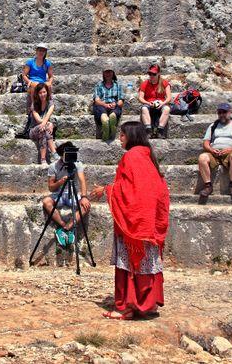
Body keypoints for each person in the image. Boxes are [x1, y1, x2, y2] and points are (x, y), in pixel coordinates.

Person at [90, 121, 169, 320]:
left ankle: (127, 306)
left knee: (130, 263)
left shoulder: (131, 156)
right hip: (147, 221)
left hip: (134, 221)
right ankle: (147, 304)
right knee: (148, 263)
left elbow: (129, 190)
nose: (120, 138)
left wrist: (106, 190)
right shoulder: (147, 156)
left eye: (122, 135)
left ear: (131, 136)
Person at [40, 142, 91, 245]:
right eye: (67, 154)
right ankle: (62, 225)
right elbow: (51, 187)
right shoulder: (53, 166)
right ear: (61, 154)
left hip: (73, 194)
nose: (70, 156)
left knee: (86, 206)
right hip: (59, 193)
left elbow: (82, 180)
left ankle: (69, 227)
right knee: (46, 202)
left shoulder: (77, 164)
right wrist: (60, 182)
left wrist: (84, 197)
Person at [197, 103, 232, 202]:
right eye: (220, 112)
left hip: (230, 152)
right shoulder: (213, 125)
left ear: (229, 112)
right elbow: (206, 142)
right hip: (214, 153)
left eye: (224, 112)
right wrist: (211, 150)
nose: (222, 114)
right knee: (202, 158)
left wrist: (230, 149)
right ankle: (208, 186)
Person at [138, 64, 171, 139]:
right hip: (149, 103)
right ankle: (148, 130)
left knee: (167, 109)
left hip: (161, 103)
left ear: (158, 74)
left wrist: (163, 103)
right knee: (144, 108)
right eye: (150, 74)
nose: (151, 76)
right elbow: (140, 98)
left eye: (154, 74)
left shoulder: (164, 83)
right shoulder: (145, 83)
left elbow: (169, 98)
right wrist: (148, 103)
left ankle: (160, 130)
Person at [28, 82, 56, 165]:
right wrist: (49, 124)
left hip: (44, 130)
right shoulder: (34, 105)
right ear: (37, 94)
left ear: (47, 92)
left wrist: (46, 124)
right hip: (33, 130)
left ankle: (44, 159)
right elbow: (38, 120)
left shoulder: (50, 104)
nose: (42, 94)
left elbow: (47, 116)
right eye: (40, 93)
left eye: (44, 92)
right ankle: (53, 153)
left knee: (44, 131)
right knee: (42, 127)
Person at [93, 68, 123, 143]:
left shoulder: (118, 86)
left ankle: (111, 118)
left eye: (110, 72)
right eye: (106, 72)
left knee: (117, 108)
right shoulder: (99, 86)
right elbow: (96, 100)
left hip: (113, 105)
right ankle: (105, 120)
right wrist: (105, 104)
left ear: (113, 73)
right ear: (103, 74)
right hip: (102, 105)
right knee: (99, 107)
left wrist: (115, 104)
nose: (108, 74)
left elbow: (121, 101)